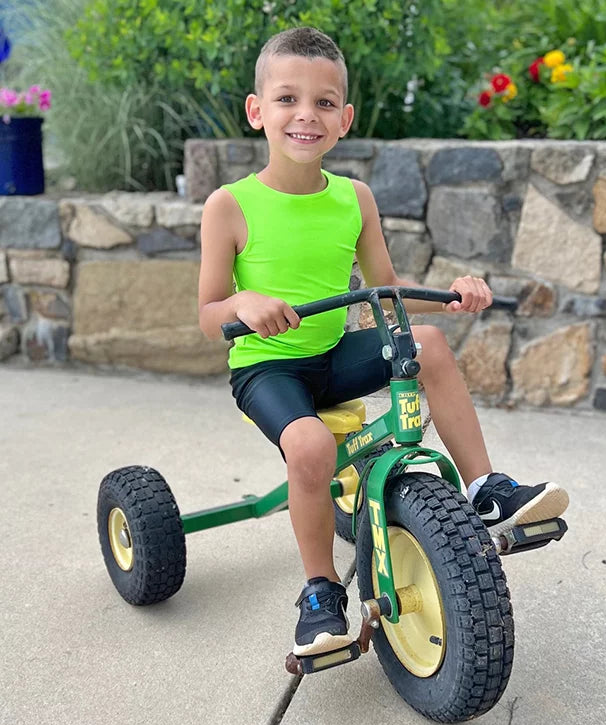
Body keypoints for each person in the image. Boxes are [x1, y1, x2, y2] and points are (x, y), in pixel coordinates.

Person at [198, 27, 569, 659]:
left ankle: (484, 489)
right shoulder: (230, 205)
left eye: (323, 103)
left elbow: (388, 290)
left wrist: (456, 295)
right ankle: (319, 592)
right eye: (287, 99)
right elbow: (209, 316)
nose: (305, 115)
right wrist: (242, 302)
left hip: (331, 354)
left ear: (343, 119)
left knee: (425, 342)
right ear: (258, 112)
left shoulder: (353, 199)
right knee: (312, 444)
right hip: (267, 368)